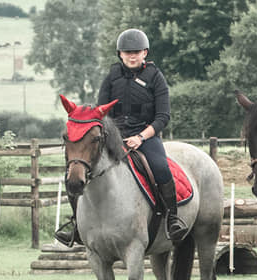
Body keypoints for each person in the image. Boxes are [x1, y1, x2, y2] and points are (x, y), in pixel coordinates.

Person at [54, 28, 186, 245]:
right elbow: (100, 113)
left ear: (145, 53)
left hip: (146, 136)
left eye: (136, 52)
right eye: (127, 52)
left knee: (161, 168)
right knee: (76, 172)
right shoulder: (112, 77)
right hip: (113, 137)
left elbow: (163, 116)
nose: (132, 56)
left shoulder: (156, 77)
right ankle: (77, 225)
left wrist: (141, 138)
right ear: (120, 54)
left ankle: (172, 219)